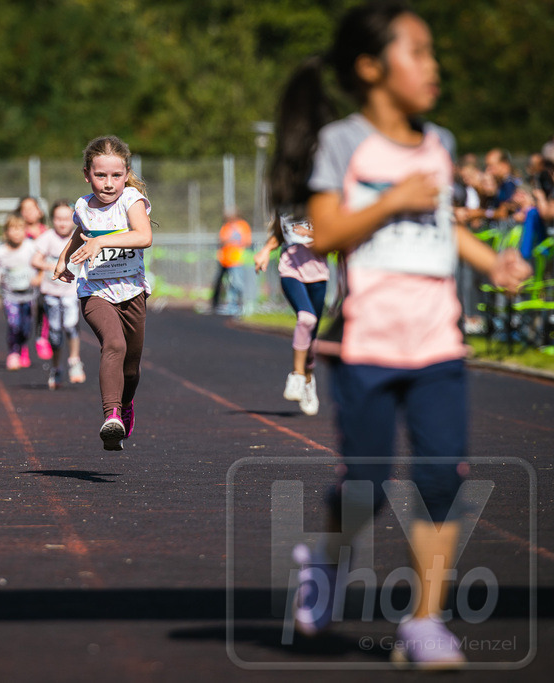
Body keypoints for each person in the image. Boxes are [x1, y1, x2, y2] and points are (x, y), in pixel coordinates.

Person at [275, 1, 532, 668]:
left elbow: (442, 224)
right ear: (370, 67)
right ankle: (326, 561)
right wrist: (391, 199)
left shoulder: (439, 141)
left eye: (431, 52)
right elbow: (326, 233)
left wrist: (492, 263)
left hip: (437, 340)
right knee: (366, 480)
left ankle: (424, 621)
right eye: (417, 52)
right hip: (368, 340)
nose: (432, 66)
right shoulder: (343, 143)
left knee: (443, 478)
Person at [54, 135, 153, 451]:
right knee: (113, 344)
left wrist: (101, 241)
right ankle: (111, 417)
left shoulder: (131, 200)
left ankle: (125, 405)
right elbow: (80, 233)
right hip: (95, 290)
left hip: (131, 291)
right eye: (100, 175)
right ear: (87, 174)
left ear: (126, 174)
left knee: (131, 369)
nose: (108, 183)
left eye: (116, 175)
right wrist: (64, 259)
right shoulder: (83, 205)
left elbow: (144, 236)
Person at [253, 213, 329, 416]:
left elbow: (336, 236)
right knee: (306, 318)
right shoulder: (285, 205)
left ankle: (308, 378)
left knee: (312, 337)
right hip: (290, 269)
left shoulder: (321, 200)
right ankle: (297, 375)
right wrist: (265, 250)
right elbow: (279, 233)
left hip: (318, 272)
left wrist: (312, 234)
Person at [33, 200, 86, 389]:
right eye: (58, 219)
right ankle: (56, 368)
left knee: (71, 326)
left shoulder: (78, 236)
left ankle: (74, 361)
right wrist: (51, 265)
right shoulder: (47, 238)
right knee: (55, 333)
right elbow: (35, 260)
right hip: (51, 292)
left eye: (66, 219)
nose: (62, 223)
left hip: (71, 291)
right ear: (52, 220)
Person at [0, 213, 39, 371]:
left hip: (28, 294)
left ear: (25, 231)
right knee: (14, 323)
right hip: (10, 295)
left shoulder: (30, 247)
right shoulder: (1, 251)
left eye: (20, 229)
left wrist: (39, 277)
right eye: (13, 229)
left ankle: (23, 346)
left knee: (26, 327)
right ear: (6, 231)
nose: (16, 233)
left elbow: (41, 263)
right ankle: (13, 353)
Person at [17, 196, 53, 362]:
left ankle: (42, 339)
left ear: (39, 211)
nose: (28, 213)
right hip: (23, 279)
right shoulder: (18, 232)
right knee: (23, 314)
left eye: (32, 209)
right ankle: (21, 346)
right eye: (24, 209)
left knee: (43, 308)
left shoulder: (48, 232)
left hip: (44, 279)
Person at [211, 211, 251, 314]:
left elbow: (247, 241)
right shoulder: (226, 226)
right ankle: (232, 304)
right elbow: (221, 240)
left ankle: (242, 303)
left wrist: (232, 242)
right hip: (225, 260)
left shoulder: (242, 225)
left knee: (237, 283)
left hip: (237, 260)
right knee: (230, 283)